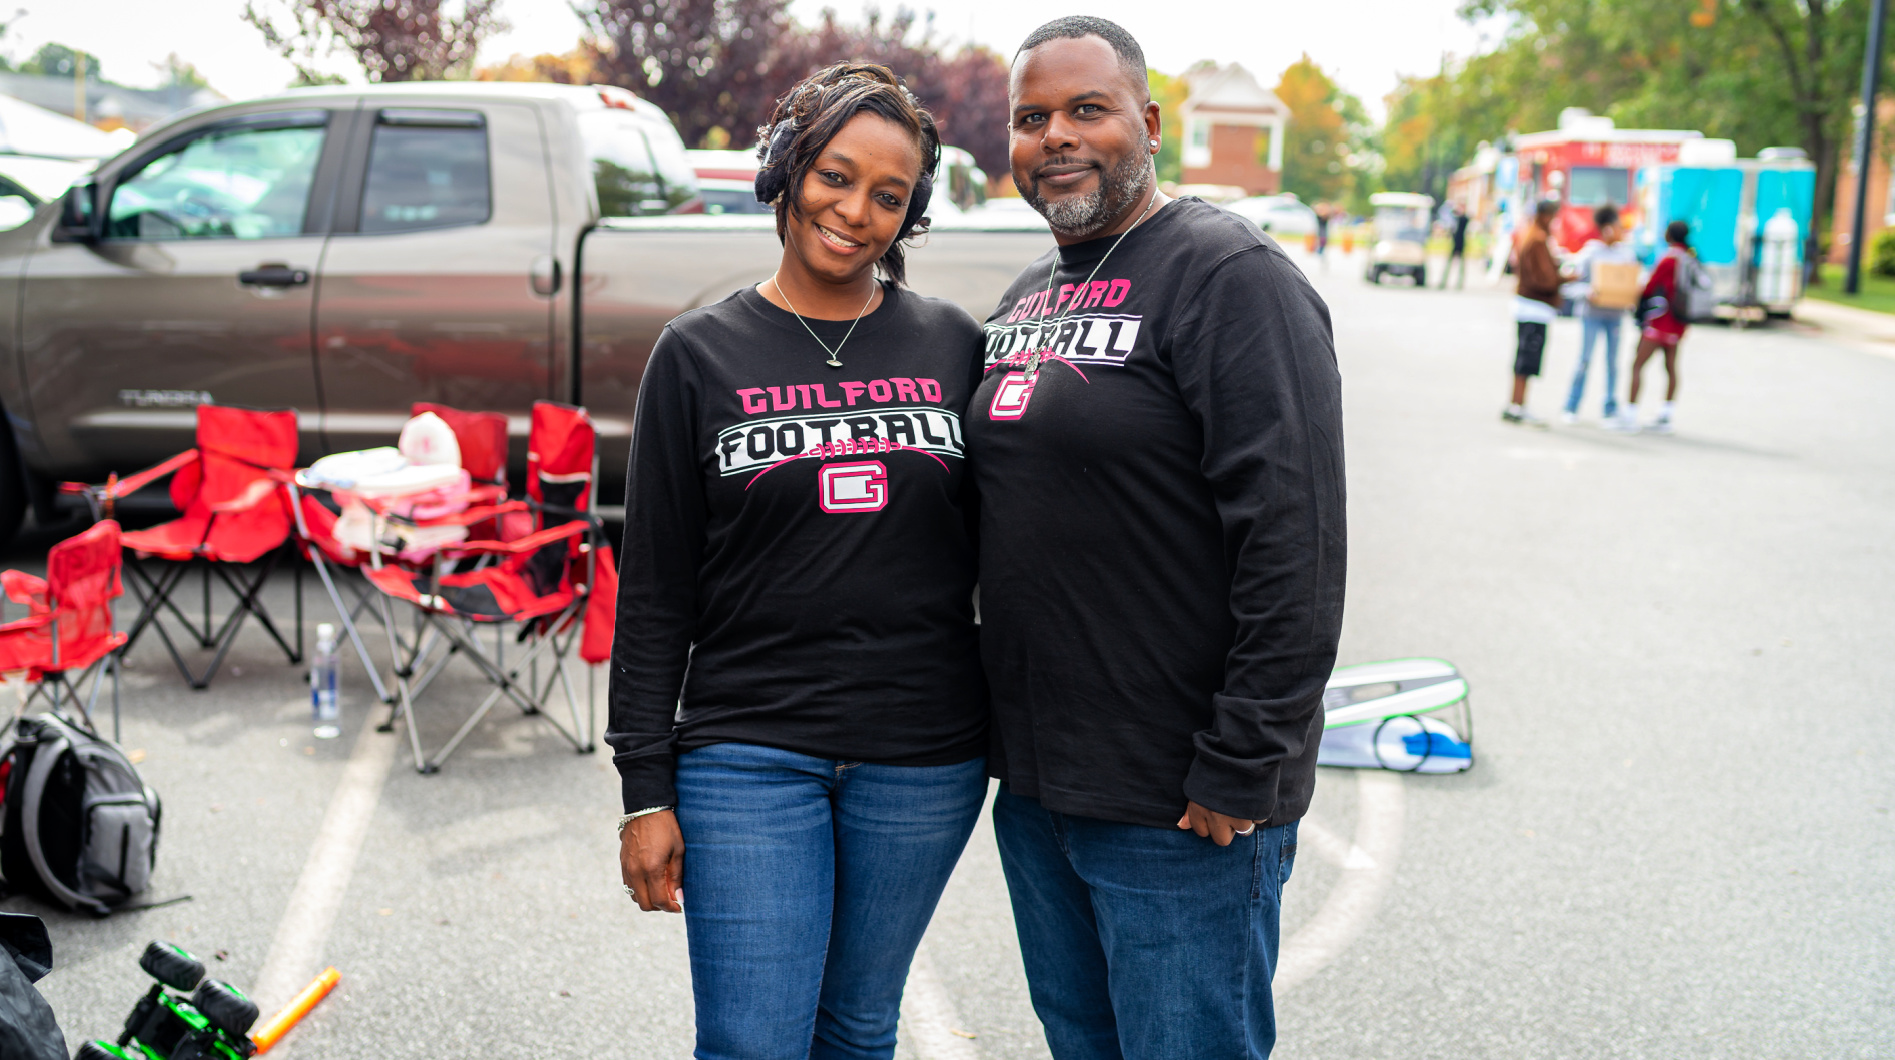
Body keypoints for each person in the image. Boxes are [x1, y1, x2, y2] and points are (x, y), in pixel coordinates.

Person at [969, 17, 1346, 1060]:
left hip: (1182, 801)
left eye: (1086, 110)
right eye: (1031, 117)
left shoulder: (1233, 279)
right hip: (1043, 791)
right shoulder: (1026, 299)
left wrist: (1242, 761)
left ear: (1148, 121)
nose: (1056, 137)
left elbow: (1296, 541)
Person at [609, 63, 989, 1059]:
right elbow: (652, 590)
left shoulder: (955, 344)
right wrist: (645, 788)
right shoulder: (696, 354)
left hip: (925, 756)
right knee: (751, 1040)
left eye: (889, 196)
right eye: (835, 174)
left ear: (910, 218)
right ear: (786, 170)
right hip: (748, 750)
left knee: (857, 1030)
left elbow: (1026, 545)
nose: (855, 211)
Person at [1563, 203, 1638, 426]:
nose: (1621, 231)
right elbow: (1569, 285)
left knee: (1613, 363)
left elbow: (1633, 285)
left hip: (1615, 315)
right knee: (1584, 359)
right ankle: (1571, 405)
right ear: (1607, 228)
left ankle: (1610, 408)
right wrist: (1587, 292)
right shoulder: (1591, 253)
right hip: (1591, 314)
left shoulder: (1626, 255)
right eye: (1617, 226)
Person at [1626, 220, 1692, 434]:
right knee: (1671, 368)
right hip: (1678, 324)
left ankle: (1630, 414)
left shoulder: (1669, 259)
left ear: (1670, 235)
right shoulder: (1690, 258)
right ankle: (1666, 414)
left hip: (1659, 321)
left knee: (1638, 365)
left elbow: (1649, 286)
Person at [1504, 198, 1564, 426]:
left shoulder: (1530, 234)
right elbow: (1544, 278)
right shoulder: (1538, 238)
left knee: (1524, 358)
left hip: (1528, 304)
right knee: (1526, 360)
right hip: (1534, 306)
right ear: (1547, 216)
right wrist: (1565, 278)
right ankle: (1517, 405)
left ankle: (1516, 404)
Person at [1439, 199, 1472, 288]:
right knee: (1449, 264)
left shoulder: (1464, 218)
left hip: (1461, 243)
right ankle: (1444, 282)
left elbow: (1463, 218)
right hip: (1454, 243)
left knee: (1461, 266)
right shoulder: (1455, 218)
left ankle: (1459, 283)